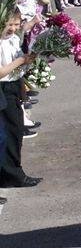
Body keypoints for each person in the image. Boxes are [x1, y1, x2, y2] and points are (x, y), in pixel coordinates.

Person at [0, 10, 39, 190]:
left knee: (16, 131)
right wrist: (21, 61)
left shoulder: (14, 39)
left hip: (14, 85)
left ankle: (12, 171)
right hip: (3, 88)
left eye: (16, 24)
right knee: (8, 132)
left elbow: (19, 65)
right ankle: (11, 174)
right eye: (10, 25)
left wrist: (29, 61)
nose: (14, 28)